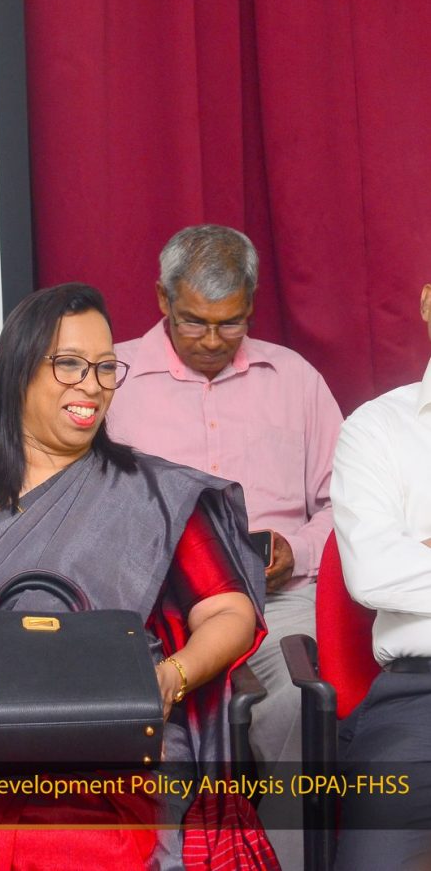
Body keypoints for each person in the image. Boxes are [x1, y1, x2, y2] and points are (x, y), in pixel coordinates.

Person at [0, 282, 279, 870]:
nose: (92, 386)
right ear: (20, 370)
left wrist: (170, 679)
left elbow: (229, 611)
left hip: (118, 751)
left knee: (93, 853)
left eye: (105, 368)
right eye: (70, 365)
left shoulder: (154, 494)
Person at [107, 225, 342, 869]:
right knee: (138, 713)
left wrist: (296, 548)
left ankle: (286, 860)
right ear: (162, 299)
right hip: (153, 611)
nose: (212, 340)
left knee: (302, 704)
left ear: (252, 305)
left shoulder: (293, 379)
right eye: (194, 322)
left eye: (230, 323)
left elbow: (343, 505)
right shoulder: (113, 380)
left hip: (279, 603)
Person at [330, 283, 431, 869]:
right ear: (426, 303)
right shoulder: (375, 429)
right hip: (421, 701)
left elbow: (400, 565)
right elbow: (372, 573)